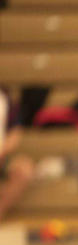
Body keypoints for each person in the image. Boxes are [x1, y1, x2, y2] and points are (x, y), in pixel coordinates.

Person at [0, 89, 34, 220]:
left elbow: (16, 132)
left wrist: (3, 151)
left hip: (3, 156)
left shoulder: (4, 98)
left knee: (24, 169)